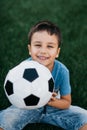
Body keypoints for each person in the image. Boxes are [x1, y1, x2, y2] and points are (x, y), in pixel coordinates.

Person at [0, 20, 87, 130]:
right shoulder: (22, 69)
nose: (43, 51)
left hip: (54, 108)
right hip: (26, 108)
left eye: (50, 46)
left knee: (84, 118)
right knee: (5, 120)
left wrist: (52, 101)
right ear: (30, 49)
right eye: (38, 45)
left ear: (57, 52)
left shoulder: (62, 71)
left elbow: (66, 103)